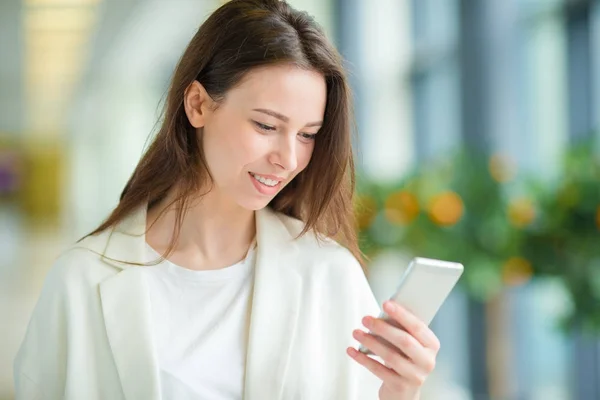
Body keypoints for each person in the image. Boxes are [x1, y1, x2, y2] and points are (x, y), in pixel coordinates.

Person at [13, 0, 440, 399]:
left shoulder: (330, 275)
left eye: (308, 134)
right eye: (266, 125)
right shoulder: (81, 279)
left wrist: (398, 393)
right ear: (198, 105)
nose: (289, 159)